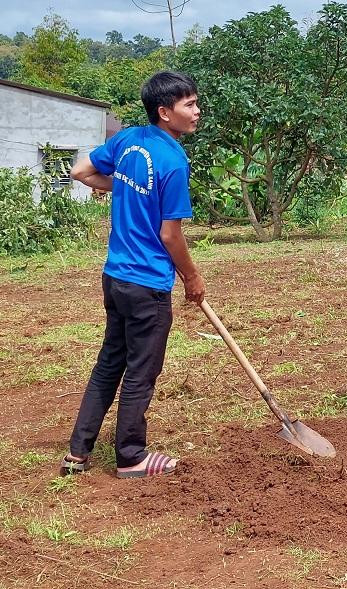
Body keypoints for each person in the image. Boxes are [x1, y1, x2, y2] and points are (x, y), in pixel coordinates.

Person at [60, 71, 205, 479]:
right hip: (148, 284)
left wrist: (124, 189)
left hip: (115, 277)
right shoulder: (174, 161)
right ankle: (131, 456)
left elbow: (81, 171)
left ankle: (77, 453)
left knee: (110, 363)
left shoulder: (128, 140)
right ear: (165, 112)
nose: (197, 112)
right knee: (141, 370)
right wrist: (192, 278)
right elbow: (170, 233)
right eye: (189, 105)